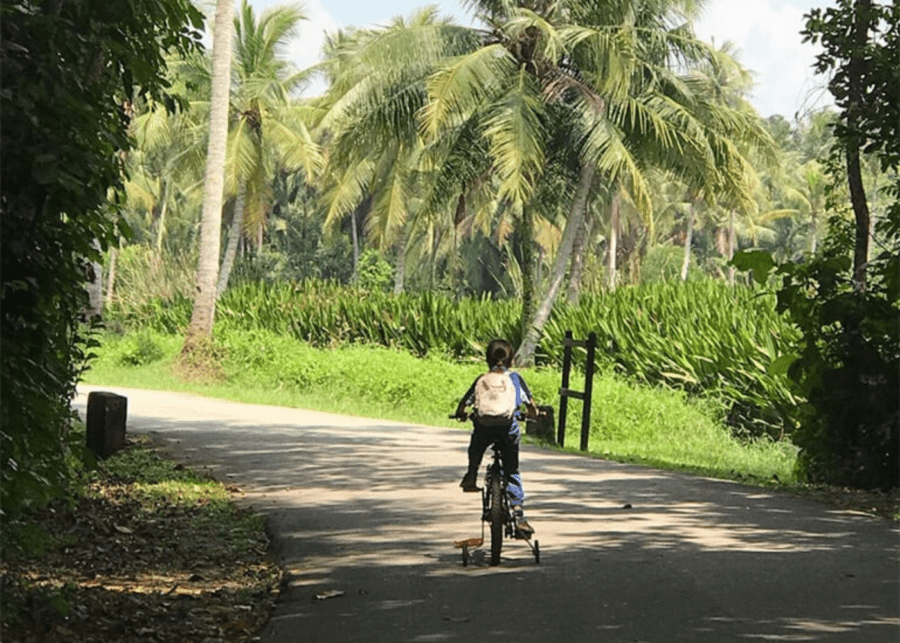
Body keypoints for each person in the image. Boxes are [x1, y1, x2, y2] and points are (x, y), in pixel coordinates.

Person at [453, 338, 539, 536]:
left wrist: (461, 414)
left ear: (487, 359)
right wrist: (535, 414)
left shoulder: (482, 379)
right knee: (512, 471)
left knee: (476, 445)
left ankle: (472, 473)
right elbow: (531, 406)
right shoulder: (515, 379)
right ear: (511, 361)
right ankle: (518, 514)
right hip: (508, 428)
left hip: (484, 427)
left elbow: (463, 405)